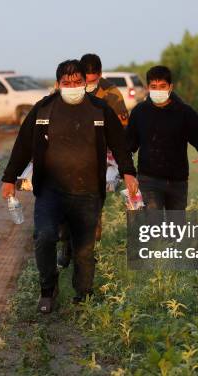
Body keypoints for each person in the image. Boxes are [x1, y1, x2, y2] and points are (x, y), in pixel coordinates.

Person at [1, 59, 138, 313]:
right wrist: (9, 178)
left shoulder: (100, 110)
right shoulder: (43, 109)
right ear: (58, 84)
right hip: (50, 191)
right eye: (67, 83)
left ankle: (83, 295)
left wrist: (129, 173)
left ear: (85, 83)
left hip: (88, 192)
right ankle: (47, 290)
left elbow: (119, 144)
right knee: (44, 238)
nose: (73, 87)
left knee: (84, 251)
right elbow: (22, 146)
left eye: (78, 82)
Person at [57, 53, 130, 268]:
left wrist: (119, 165)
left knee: (92, 214)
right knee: (63, 212)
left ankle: (86, 256)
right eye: (83, 79)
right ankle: (67, 246)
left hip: (98, 161)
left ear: (99, 75)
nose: (86, 85)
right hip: (67, 160)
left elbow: (121, 131)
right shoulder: (66, 87)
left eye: (91, 80)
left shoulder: (112, 94)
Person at [126, 65, 198, 211]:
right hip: (148, 180)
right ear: (148, 88)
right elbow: (127, 145)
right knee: (154, 228)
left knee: (176, 230)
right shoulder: (139, 112)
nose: (158, 90)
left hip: (177, 181)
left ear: (170, 87)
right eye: (153, 86)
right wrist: (128, 173)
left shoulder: (184, 111)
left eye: (162, 86)